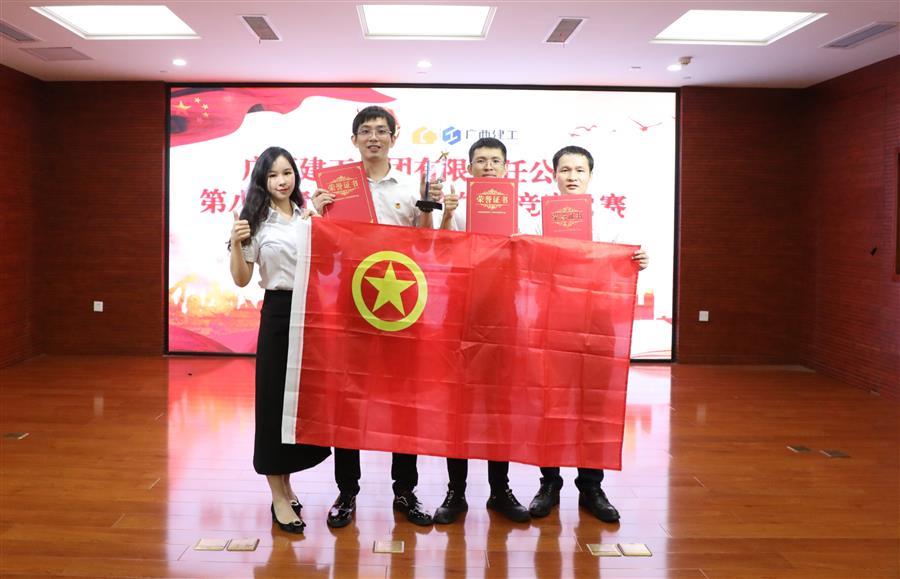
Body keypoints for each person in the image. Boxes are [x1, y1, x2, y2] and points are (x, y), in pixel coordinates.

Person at [310, 106, 439, 528]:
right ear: (354, 140)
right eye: (365, 131)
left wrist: (429, 208)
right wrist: (319, 216)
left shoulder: (410, 186)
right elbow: (325, 254)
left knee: (404, 400)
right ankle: (347, 491)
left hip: (402, 307)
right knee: (349, 398)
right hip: (351, 305)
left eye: (381, 131)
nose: (373, 138)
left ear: (393, 138)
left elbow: (426, 247)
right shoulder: (336, 189)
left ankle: (405, 490)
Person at [527, 145, 649, 523]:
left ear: (590, 176)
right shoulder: (537, 220)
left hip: (598, 323)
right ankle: (549, 483)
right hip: (552, 322)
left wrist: (638, 261)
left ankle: (592, 486)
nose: (572, 176)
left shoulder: (609, 221)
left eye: (579, 170)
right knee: (551, 404)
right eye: (565, 170)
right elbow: (527, 266)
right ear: (553, 175)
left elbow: (621, 265)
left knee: (594, 405)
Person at [229, 146, 331, 534]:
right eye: (272, 175)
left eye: (287, 172)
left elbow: (328, 267)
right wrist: (236, 242)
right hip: (277, 312)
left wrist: (323, 222)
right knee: (273, 403)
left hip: (311, 313)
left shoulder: (308, 216)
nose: (282, 181)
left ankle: (287, 485)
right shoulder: (254, 221)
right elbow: (241, 279)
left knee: (299, 403)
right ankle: (277, 496)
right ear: (262, 181)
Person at [430, 137, 531, 525]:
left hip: (503, 316)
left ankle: (499, 490)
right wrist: (446, 217)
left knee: (497, 407)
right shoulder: (455, 207)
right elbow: (440, 254)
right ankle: (455, 492)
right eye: (481, 161)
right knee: (458, 405)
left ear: (506, 168)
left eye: (495, 161)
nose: (488, 167)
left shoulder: (521, 212)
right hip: (459, 315)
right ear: (468, 167)